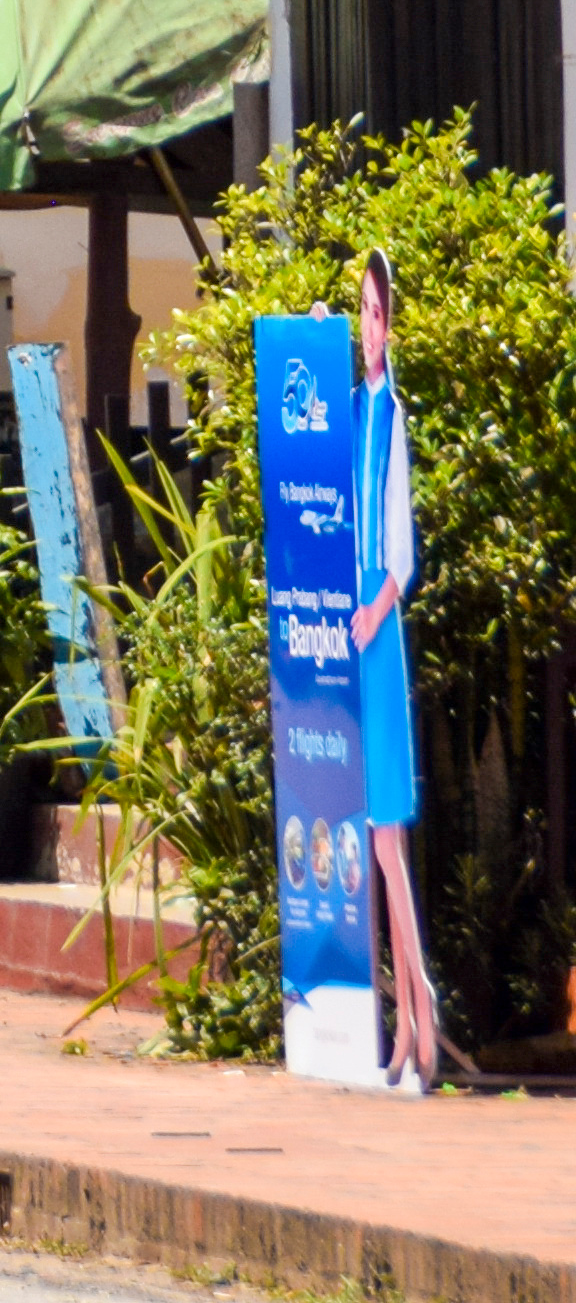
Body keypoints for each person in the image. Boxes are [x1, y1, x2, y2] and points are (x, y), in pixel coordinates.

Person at [347, 250, 450, 1089]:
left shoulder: (393, 416)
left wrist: (376, 613)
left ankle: (421, 1010)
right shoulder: (349, 407)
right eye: (360, 312)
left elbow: (400, 550)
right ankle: (406, 1019)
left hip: (374, 635)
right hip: (342, 636)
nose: (367, 328)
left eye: (378, 314)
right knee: (377, 845)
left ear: (394, 325)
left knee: (388, 837)